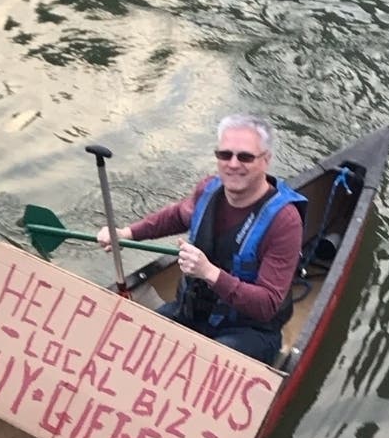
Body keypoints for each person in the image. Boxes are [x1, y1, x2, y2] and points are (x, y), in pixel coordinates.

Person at [97, 114, 306, 365]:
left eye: (245, 157)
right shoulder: (208, 189)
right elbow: (177, 215)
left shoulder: (285, 221)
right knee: (135, 342)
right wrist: (127, 233)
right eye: (225, 155)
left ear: (266, 161)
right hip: (191, 313)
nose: (233, 164)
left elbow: (267, 304)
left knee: (204, 363)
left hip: (249, 331)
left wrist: (209, 273)